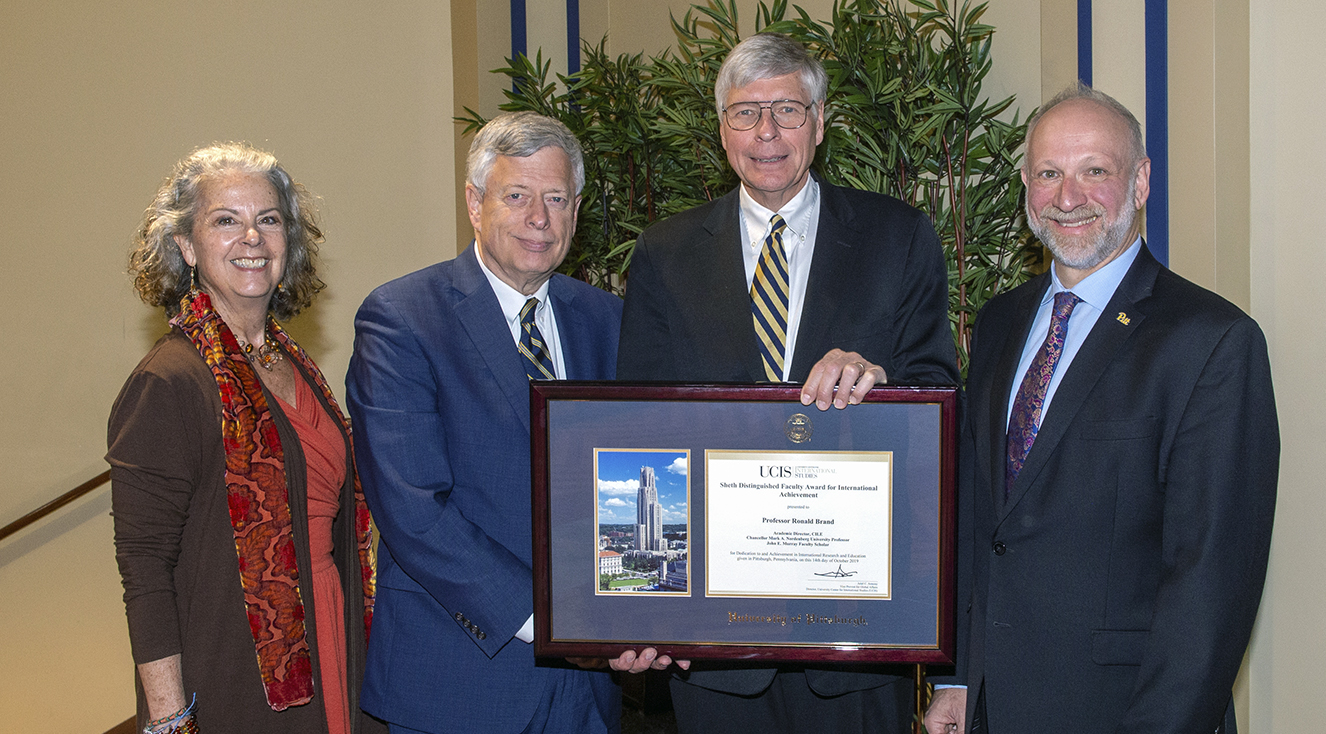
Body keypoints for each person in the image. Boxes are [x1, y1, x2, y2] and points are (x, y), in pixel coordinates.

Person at [617, 32, 960, 733]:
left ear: (821, 122)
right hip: (713, 644)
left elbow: (939, 395)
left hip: (855, 633)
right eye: (745, 113)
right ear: (721, 130)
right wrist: (646, 606)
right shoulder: (665, 253)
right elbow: (639, 431)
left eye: (788, 110)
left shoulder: (898, 237)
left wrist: (881, 377)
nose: (766, 133)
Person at [921, 83, 1278, 734]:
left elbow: (1209, 585)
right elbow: (983, 525)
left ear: (1141, 181)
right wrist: (959, 678)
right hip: (994, 707)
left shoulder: (1211, 342)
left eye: (1095, 172)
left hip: (1124, 713)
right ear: (1026, 183)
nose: (1068, 197)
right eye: (1049, 173)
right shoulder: (1001, 322)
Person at [346, 111, 680, 734]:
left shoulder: (608, 319)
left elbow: (641, 478)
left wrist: (647, 612)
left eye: (557, 199)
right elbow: (415, 510)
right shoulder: (402, 318)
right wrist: (557, 623)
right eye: (517, 195)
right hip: (460, 681)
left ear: (576, 211)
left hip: (587, 692)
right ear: (474, 203)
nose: (539, 219)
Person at [108, 143, 381, 734]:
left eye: (269, 219)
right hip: (235, 672)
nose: (252, 237)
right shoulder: (169, 380)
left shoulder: (291, 360)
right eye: (226, 220)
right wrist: (169, 718)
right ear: (185, 246)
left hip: (329, 630)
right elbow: (145, 566)